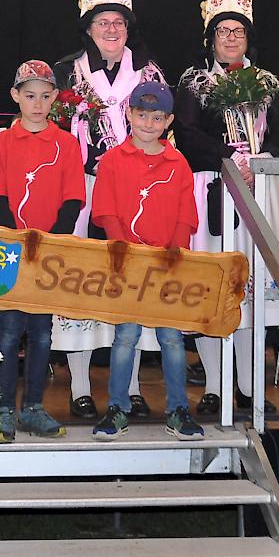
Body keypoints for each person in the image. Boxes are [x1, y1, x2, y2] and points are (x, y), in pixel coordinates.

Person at [52, 0, 168, 420]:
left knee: (130, 284)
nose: (111, 29)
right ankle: (80, 387)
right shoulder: (67, 72)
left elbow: (164, 130)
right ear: (88, 28)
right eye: (102, 21)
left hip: (135, 190)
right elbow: (55, 134)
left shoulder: (149, 72)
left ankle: (131, 386)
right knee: (80, 284)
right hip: (81, 187)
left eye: (118, 21)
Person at [173, 0, 279, 415]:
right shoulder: (194, 81)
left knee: (251, 291)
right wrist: (228, 157)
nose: (231, 38)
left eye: (238, 31)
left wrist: (262, 159)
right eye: (223, 31)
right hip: (212, 191)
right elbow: (186, 133)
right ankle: (214, 385)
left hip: (258, 191)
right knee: (213, 288)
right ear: (211, 38)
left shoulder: (266, 82)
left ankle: (250, 384)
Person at [89, 81, 204, 442]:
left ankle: (178, 409)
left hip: (166, 266)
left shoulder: (178, 162)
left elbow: (186, 213)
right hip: (128, 265)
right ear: (129, 114)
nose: (149, 124)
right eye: (142, 115)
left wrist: (174, 253)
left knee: (172, 339)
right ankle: (117, 408)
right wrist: (124, 250)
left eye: (157, 117)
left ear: (169, 121)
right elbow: (105, 209)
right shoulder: (113, 160)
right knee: (125, 337)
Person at [0, 61, 84, 442]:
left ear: (55, 97)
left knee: (42, 334)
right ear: (15, 96)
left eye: (44, 96)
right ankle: (4, 410)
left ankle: (34, 407)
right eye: (29, 96)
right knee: (8, 332)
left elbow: (73, 200)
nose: (37, 104)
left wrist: (47, 243)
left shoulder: (66, 144)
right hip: (10, 251)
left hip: (47, 252)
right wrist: (18, 240)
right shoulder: (1, 143)